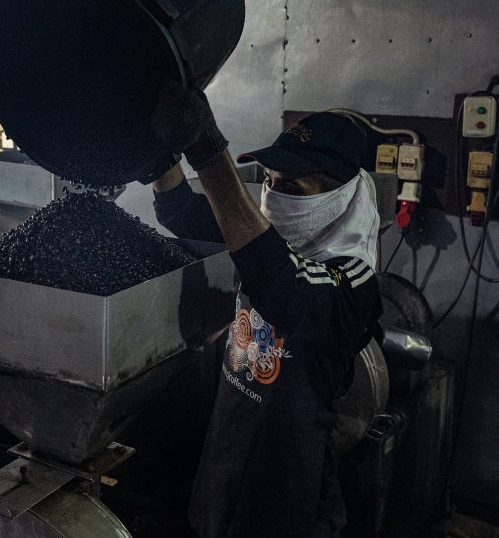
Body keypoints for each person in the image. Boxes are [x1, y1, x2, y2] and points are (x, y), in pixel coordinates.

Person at [149, 82, 382, 538]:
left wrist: (208, 151)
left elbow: (283, 288)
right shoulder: (269, 237)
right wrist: (156, 157)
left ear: (341, 195)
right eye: (270, 183)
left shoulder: (354, 279)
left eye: (292, 186)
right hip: (230, 454)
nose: (275, 197)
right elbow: (182, 213)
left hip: (291, 486)